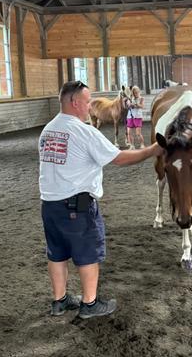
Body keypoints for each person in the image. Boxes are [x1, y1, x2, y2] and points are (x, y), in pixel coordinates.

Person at [39, 80, 163, 319]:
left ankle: (60, 300)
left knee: (57, 254)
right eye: (87, 102)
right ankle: (90, 303)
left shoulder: (48, 130)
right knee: (87, 255)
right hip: (76, 206)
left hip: (49, 204)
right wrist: (152, 150)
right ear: (75, 103)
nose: (89, 106)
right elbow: (119, 158)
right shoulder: (84, 132)